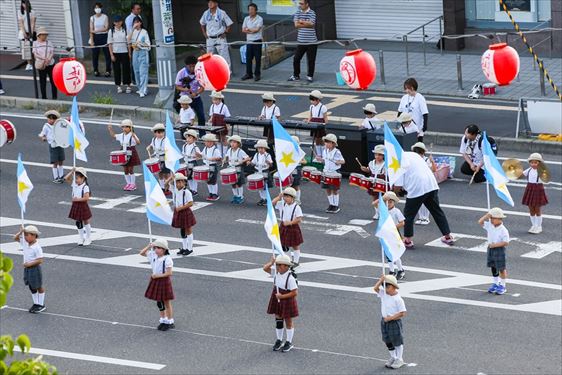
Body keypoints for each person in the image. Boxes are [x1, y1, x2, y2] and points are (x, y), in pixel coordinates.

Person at [394, 151, 454, 249]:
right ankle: (447, 236)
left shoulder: (396, 162)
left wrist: (395, 193)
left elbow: (398, 185)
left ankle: (408, 240)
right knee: (436, 211)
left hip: (416, 188)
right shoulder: (413, 154)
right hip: (431, 184)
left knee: (409, 215)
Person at [263, 254, 299, 353]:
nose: (277, 266)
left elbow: (295, 292)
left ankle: (289, 342)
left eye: (279, 265)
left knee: (288, 321)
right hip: (278, 297)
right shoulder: (276, 273)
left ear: (286, 266)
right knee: (278, 319)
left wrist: (282, 296)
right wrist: (271, 262)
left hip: (286, 299)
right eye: (277, 264)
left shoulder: (290, 278)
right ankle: (279, 340)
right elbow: (265, 268)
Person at [140, 238, 175, 331]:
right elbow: (142, 253)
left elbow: (169, 273)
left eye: (158, 248)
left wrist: (158, 276)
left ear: (164, 249)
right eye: (155, 248)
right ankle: (163, 320)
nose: (156, 250)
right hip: (156, 279)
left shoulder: (167, 259)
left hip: (163, 280)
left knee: (167, 302)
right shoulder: (153, 255)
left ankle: (170, 321)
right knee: (159, 302)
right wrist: (149, 246)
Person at [373, 274, 407, 369]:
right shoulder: (384, 294)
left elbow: (402, 313)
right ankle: (393, 357)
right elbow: (375, 289)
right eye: (384, 286)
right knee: (387, 340)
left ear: (394, 286)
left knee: (397, 341)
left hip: (393, 322)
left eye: (387, 286)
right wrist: (381, 280)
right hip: (384, 321)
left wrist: (391, 318)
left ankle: (399, 359)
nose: (385, 288)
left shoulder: (398, 299)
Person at [14, 225, 46, 313]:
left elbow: (40, 260)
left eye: (26, 235)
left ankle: (41, 304)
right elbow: (15, 238)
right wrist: (21, 232)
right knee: (31, 286)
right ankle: (36, 303)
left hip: (34, 268)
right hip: (27, 268)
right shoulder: (25, 243)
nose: (25, 237)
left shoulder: (37, 247)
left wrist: (29, 264)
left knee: (38, 286)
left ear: (33, 235)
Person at [374, 192, 406, 280]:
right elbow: (374, 204)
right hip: (385, 233)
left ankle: (400, 270)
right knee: (388, 253)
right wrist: (383, 198)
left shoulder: (396, 211)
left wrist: (392, 228)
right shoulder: (383, 210)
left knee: (395, 252)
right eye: (387, 202)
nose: (388, 204)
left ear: (394, 202)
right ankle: (392, 271)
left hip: (394, 233)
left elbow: (402, 222)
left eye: (390, 202)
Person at [478, 208, 510, 295]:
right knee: (493, 267)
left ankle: (503, 285)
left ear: (499, 219)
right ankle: (495, 283)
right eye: (491, 218)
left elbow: (506, 242)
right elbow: (480, 222)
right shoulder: (490, 225)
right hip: (491, 248)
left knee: (501, 268)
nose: (491, 220)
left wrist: (494, 245)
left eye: (492, 218)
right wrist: (487, 215)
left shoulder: (503, 230)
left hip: (499, 249)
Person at [273, 187, 304, 267]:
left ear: (292, 198)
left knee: (295, 245)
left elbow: (299, 219)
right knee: (283, 244)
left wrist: (290, 222)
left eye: (288, 197)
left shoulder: (296, 207)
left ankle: (296, 261)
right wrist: (279, 197)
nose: (285, 198)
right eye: (285, 196)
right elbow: (273, 203)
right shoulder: (282, 204)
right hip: (283, 226)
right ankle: (289, 260)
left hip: (292, 227)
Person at [174, 56, 205, 135]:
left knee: (201, 116)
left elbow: (202, 87)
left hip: (195, 97)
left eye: (193, 66)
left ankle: (202, 134)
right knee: (185, 118)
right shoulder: (181, 73)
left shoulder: (199, 73)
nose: (192, 68)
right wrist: (185, 90)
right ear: (186, 65)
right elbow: (177, 86)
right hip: (184, 99)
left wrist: (196, 93)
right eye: (190, 66)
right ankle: (185, 134)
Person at [288, 0, 317, 83]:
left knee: (311, 60)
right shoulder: (297, 12)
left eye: (302, 3)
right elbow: (296, 25)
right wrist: (306, 23)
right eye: (299, 3)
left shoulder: (312, 13)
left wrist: (301, 21)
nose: (300, 5)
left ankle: (310, 76)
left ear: (307, 4)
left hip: (312, 41)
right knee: (296, 58)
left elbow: (312, 24)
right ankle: (296, 75)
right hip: (301, 41)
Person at [167, 173, 196, 256]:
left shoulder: (186, 192)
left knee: (188, 230)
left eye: (180, 182)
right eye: (177, 182)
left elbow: (190, 203)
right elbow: (166, 184)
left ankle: (190, 248)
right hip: (178, 211)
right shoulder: (175, 190)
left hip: (185, 211)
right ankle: (184, 247)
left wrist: (180, 208)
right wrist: (171, 177)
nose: (178, 184)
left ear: (184, 183)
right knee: (182, 230)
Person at [107, 119, 141, 191]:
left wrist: (134, 136)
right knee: (125, 169)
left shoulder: (132, 135)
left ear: (130, 128)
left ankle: (133, 184)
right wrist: (110, 129)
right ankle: (128, 183)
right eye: (123, 127)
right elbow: (113, 136)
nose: (124, 129)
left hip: (131, 151)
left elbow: (138, 143)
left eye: (126, 127)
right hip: (123, 151)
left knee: (130, 169)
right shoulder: (121, 135)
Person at [315, 133, 345, 213]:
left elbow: (343, 161)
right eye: (325, 142)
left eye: (328, 142)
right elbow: (325, 160)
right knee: (327, 189)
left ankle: (336, 205)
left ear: (333, 143)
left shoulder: (337, 152)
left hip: (334, 172)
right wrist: (320, 159)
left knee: (335, 190)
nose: (326, 144)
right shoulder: (325, 151)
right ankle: (331, 204)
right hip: (326, 172)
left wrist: (339, 162)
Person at [200, 0, 233, 69]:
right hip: (209, 38)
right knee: (209, 57)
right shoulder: (206, 13)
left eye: (212, 2)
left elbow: (229, 24)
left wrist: (225, 32)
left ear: (216, 4)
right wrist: (204, 33)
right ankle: (210, 72)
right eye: (209, 2)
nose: (210, 4)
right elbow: (202, 23)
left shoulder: (222, 13)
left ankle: (227, 73)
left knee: (224, 56)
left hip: (220, 38)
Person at [64, 167, 93, 246]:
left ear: (83, 178)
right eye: (75, 178)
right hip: (76, 204)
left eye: (77, 178)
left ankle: (88, 237)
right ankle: (81, 237)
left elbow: (86, 198)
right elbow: (66, 178)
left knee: (85, 221)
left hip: (82, 205)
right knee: (78, 221)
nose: (76, 180)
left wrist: (77, 200)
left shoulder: (85, 187)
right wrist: (72, 171)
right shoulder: (75, 184)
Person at [410, 142, 436, 226]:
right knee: (418, 201)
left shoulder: (426, 160)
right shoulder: (413, 160)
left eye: (419, 151)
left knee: (426, 201)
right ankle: (421, 217)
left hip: (426, 183)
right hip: (417, 182)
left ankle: (426, 218)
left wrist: (432, 162)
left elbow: (434, 170)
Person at [522, 153, 549, 234]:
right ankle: (533, 225)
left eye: (536, 162)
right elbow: (521, 175)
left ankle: (539, 226)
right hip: (530, 189)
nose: (533, 164)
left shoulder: (541, 171)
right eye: (532, 162)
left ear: (539, 163)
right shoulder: (529, 170)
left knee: (537, 209)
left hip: (538, 189)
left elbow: (546, 178)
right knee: (531, 208)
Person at [397, 77, 428, 142]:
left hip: (417, 129)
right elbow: (400, 111)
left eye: (408, 88)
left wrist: (424, 126)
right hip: (405, 129)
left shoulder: (420, 98)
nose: (407, 90)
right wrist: (399, 122)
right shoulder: (404, 98)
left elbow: (425, 113)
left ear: (413, 87)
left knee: (416, 148)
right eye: (406, 88)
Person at [38, 110, 64, 183]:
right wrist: (43, 138)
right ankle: (56, 177)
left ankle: (61, 175)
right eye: (50, 118)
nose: (52, 120)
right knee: (55, 162)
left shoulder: (58, 125)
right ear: (47, 119)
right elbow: (42, 134)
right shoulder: (46, 126)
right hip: (53, 145)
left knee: (61, 160)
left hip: (60, 144)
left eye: (54, 118)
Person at [107, 15, 132, 93]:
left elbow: (128, 43)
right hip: (115, 52)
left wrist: (129, 53)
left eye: (119, 21)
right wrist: (111, 55)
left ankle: (128, 85)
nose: (117, 23)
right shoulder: (111, 31)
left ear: (122, 22)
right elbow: (110, 44)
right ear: (114, 23)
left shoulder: (125, 30)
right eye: (116, 22)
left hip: (124, 52)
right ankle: (118, 86)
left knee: (126, 69)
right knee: (117, 69)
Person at [224, 135, 250, 204]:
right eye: (231, 142)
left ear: (238, 144)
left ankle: (240, 196)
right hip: (231, 168)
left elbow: (247, 158)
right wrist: (224, 159)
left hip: (238, 169)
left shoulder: (240, 151)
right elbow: (226, 156)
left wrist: (244, 161)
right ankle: (235, 196)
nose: (232, 144)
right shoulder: (229, 150)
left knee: (239, 184)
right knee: (233, 183)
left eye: (234, 142)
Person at [361, 144, 386, 219]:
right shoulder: (371, 163)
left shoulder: (385, 164)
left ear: (383, 155)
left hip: (382, 181)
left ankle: (383, 213)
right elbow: (369, 170)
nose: (377, 156)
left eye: (380, 155)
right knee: (374, 197)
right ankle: (377, 213)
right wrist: (365, 169)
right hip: (373, 181)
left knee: (383, 198)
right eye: (376, 154)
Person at [146, 123, 171, 195]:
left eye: (162, 132)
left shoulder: (165, 140)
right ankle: (162, 187)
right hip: (157, 158)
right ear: (155, 133)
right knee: (160, 174)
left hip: (165, 158)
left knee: (166, 174)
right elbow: (151, 145)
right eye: (158, 132)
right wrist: (149, 147)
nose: (160, 134)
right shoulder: (153, 139)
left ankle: (167, 188)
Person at [128, 16, 150, 97]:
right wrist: (132, 29)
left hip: (143, 52)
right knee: (136, 71)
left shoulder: (144, 32)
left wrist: (140, 44)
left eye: (137, 22)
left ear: (140, 23)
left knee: (143, 72)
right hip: (135, 52)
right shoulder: (132, 32)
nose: (136, 24)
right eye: (134, 22)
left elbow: (148, 45)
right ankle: (140, 88)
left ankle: (143, 90)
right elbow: (128, 40)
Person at [32, 27, 57, 100]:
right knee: (43, 82)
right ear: (39, 35)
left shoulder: (49, 42)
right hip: (41, 64)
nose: (45, 36)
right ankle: (44, 98)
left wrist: (48, 59)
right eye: (43, 34)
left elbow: (52, 52)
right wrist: (43, 59)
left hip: (51, 63)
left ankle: (54, 97)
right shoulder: (35, 43)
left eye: (46, 34)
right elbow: (35, 54)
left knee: (53, 81)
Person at [241, 3, 263, 81]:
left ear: (256, 10)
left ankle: (257, 74)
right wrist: (251, 30)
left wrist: (248, 30)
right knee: (248, 58)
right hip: (249, 41)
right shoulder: (246, 18)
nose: (250, 11)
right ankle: (248, 74)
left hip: (257, 41)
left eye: (252, 9)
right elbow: (243, 30)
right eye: (249, 9)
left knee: (257, 59)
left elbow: (256, 30)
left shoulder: (259, 18)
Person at [89, 3, 111, 77]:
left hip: (104, 36)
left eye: (98, 7)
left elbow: (106, 28)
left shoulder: (105, 17)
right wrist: (92, 41)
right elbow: (91, 30)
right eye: (96, 8)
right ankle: (96, 70)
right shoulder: (92, 18)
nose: (97, 9)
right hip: (95, 37)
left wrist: (95, 31)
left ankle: (108, 71)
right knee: (95, 55)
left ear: (101, 8)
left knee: (107, 54)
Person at [199, 133, 222, 201]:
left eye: (206, 141)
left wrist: (213, 158)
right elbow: (202, 155)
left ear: (211, 142)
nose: (205, 142)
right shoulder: (205, 148)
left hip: (212, 166)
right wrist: (198, 155)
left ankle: (215, 194)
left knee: (213, 180)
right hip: (206, 165)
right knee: (208, 180)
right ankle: (211, 193)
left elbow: (219, 158)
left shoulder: (215, 150)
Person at [305, 90, 328, 157]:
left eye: (313, 100)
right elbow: (310, 116)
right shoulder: (311, 106)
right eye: (311, 100)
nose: (311, 101)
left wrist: (326, 125)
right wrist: (308, 121)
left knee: (321, 140)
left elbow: (325, 117)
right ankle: (319, 155)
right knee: (316, 140)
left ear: (318, 100)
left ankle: (324, 155)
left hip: (320, 124)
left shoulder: (323, 107)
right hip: (313, 124)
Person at [250, 139, 273, 206]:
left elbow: (271, 165)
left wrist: (268, 162)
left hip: (265, 172)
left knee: (264, 186)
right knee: (259, 187)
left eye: (262, 148)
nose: (260, 149)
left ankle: (266, 199)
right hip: (257, 172)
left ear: (265, 149)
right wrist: (249, 162)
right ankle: (262, 198)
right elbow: (253, 163)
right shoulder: (256, 155)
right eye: (259, 148)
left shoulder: (268, 155)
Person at [181, 129, 202, 196]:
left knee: (194, 177)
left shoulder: (195, 147)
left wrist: (197, 156)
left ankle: (194, 190)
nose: (188, 139)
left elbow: (200, 156)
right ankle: (191, 189)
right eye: (187, 137)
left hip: (193, 162)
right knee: (188, 177)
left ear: (194, 139)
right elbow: (183, 154)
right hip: (187, 162)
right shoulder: (184, 146)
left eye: (190, 138)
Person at [18, 0, 36, 71]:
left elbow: (33, 23)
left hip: (32, 32)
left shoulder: (32, 12)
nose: (25, 5)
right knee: (26, 49)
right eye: (24, 3)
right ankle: (29, 64)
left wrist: (31, 33)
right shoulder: (20, 12)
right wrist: (24, 33)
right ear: (22, 4)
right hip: (23, 33)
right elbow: (21, 23)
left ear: (29, 4)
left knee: (34, 49)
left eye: (27, 3)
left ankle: (35, 63)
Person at [290, 136, 306, 203]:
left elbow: (305, 161)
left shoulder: (299, 151)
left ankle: (297, 199)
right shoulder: (288, 150)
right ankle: (290, 198)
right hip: (289, 169)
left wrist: (297, 161)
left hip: (297, 169)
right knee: (289, 185)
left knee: (296, 185)